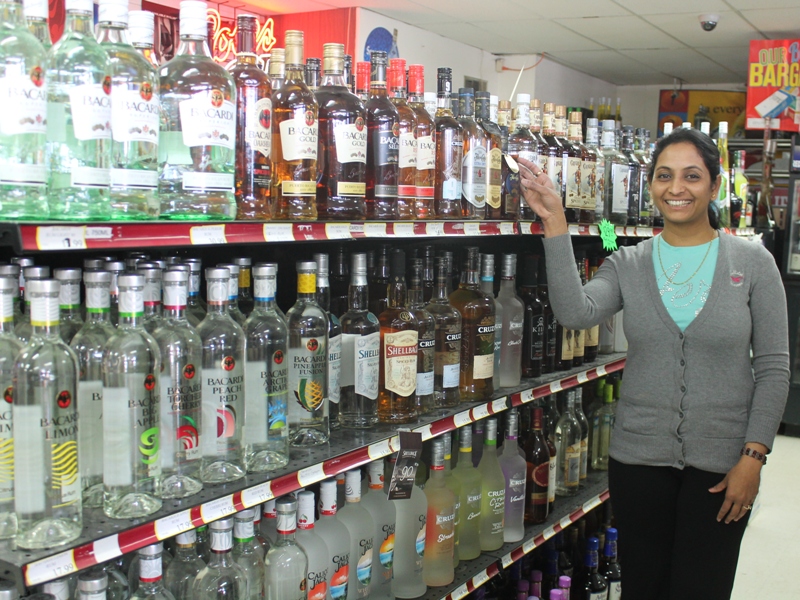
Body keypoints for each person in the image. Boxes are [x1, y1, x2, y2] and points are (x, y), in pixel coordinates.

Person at [517, 128, 790, 600]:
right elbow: (575, 312)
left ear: (714, 185)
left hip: (723, 464)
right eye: (664, 176)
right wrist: (556, 222)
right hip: (638, 461)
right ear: (649, 186)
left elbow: (773, 368)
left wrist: (754, 457)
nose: (676, 187)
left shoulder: (753, 262)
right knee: (642, 588)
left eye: (692, 176)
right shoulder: (625, 261)